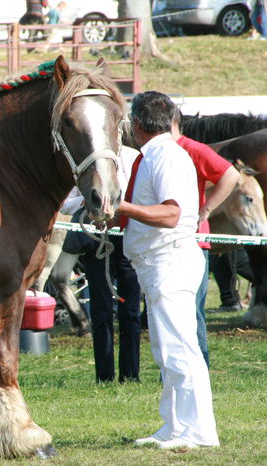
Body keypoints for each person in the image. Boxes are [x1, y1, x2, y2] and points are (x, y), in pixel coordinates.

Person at [118, 91, 219, 449]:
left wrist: (124, 206)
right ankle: (174, 426)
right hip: (158, 263)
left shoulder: (167, 157)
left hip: (170, 259)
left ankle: (198, 432)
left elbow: (171, 214)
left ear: (138, 124)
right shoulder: (155, 155)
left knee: (180, 349)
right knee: (166, 350)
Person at [61, 146, 142, 384]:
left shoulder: (132, 157)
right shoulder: (86, 158)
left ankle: (130, 374)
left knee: (131, 310)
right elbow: (66, 204)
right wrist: (88, 202)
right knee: (101, 309)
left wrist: (120, 205)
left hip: (127, 234)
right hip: (97, 237)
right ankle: (104, 376)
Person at [171, 108, 239, 368]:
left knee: (194, 311)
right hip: (166, 242)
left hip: (192, 241)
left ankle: (199, 367)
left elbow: (230, 174)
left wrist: (206, 209)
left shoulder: (192, 149)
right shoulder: (153, 153)